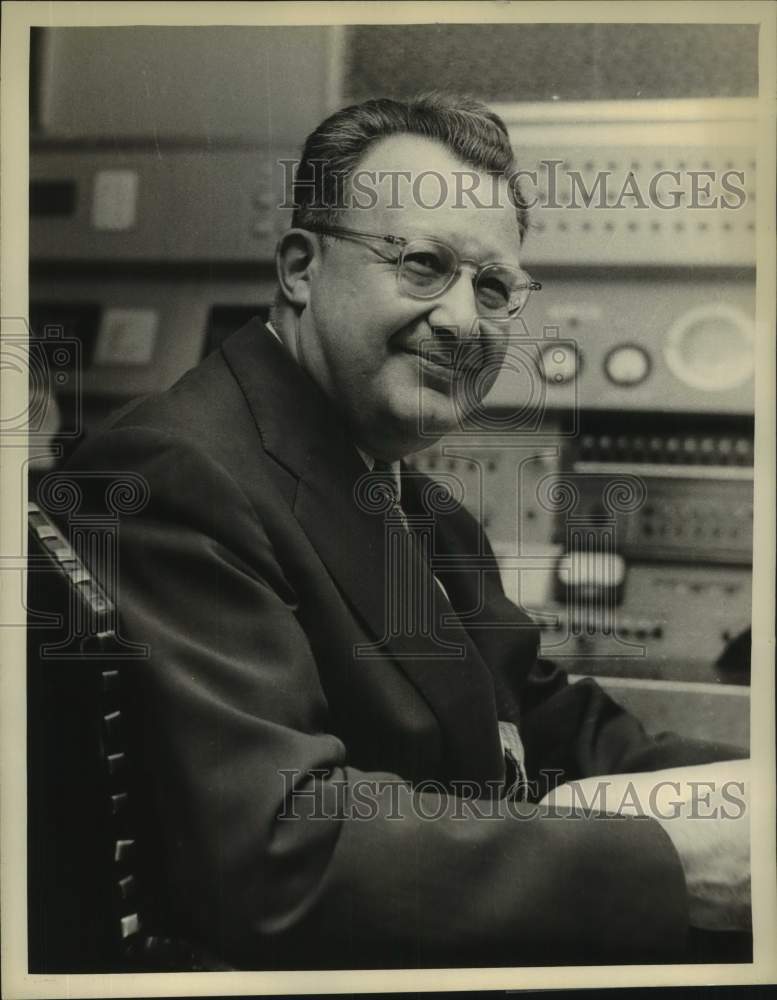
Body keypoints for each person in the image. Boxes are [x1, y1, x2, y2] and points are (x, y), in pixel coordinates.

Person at [61, 94, 749, 969]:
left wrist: (741, 794)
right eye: (422, 263)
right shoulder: (168, 473)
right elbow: (279, 853)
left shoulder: (418, 504)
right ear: (301, 267)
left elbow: (543, 724)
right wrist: (672, 863)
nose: (465, 321)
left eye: (493, 287)